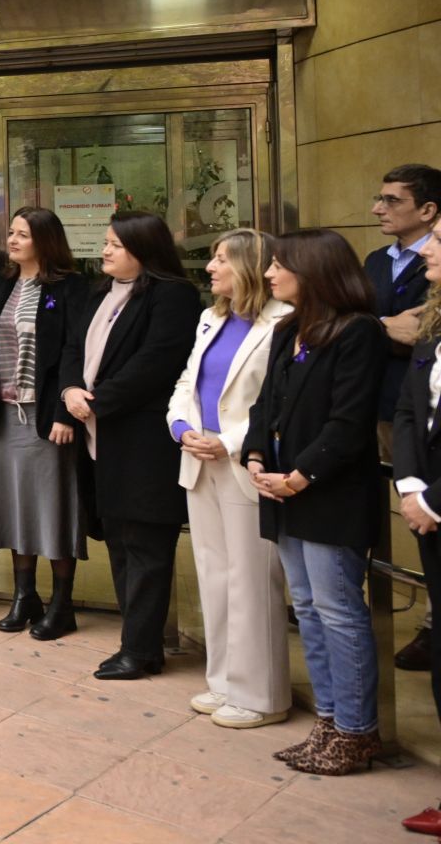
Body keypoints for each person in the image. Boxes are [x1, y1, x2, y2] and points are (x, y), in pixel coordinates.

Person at [242, 229, 387, 773]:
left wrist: (299, 477)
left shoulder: (358, 332)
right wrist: (256, 455)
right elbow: (264, 405)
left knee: (338, 611)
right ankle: (328, 721)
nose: (270, 273)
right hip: (282, 491)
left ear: (315, 270)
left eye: (280, 265)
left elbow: (348, 424)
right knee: (305, 607)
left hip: (328, 494)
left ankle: (355, 731)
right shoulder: (289, 328)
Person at [59, 211, 202, 680]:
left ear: (144, 249)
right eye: (106, 242)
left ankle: (139, 650)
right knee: (119, 542)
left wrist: (96, 402)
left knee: (145, 547)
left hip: (142, 442)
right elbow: (72, 349)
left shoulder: (173, 295)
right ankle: (139, 643)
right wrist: (70, 391)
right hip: (99, 437)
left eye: (115, 245)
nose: (105, 251)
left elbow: (156, 363)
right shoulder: (99, 291)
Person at [164, 229, 291, 726]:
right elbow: (187, 383)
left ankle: (261, 696)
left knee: (252, 580)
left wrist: (231, 441)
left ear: (251, 267)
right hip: (200, 459)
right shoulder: (210, 318)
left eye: (221, 260)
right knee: (213, 574)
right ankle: (223, 682)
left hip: (245, 463)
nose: (211, 267)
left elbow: (277, 401)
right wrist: (181, 428)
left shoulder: (283, 322)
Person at [0, 207, 90, 641]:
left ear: (45, 241)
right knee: (15, 506)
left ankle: (62, 604)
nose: (12, 241)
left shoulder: (70, 287)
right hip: (5, 414)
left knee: (53, 509)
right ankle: (25, 595)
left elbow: (75, 351)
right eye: (12, 233)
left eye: (22, 235)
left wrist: (64, 413)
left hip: (47, 417)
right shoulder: (0, 282)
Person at [367, 166, 441, 669]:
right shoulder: (376, 261)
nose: (379, 209)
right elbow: (354, 323)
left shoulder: (431, 263)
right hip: (376, 405)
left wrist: (369, 328)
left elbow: (421, 332)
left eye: (392, 200)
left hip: (422, 415)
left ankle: (433, 626)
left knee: (426, 514)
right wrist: (380, 326)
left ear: (428, 210)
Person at [390, 215, 441, 833]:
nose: (429, 252)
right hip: (425, 506)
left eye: (440, 245)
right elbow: (408, 408)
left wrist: (435, 499)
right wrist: (410, 486)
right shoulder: (435, 321)